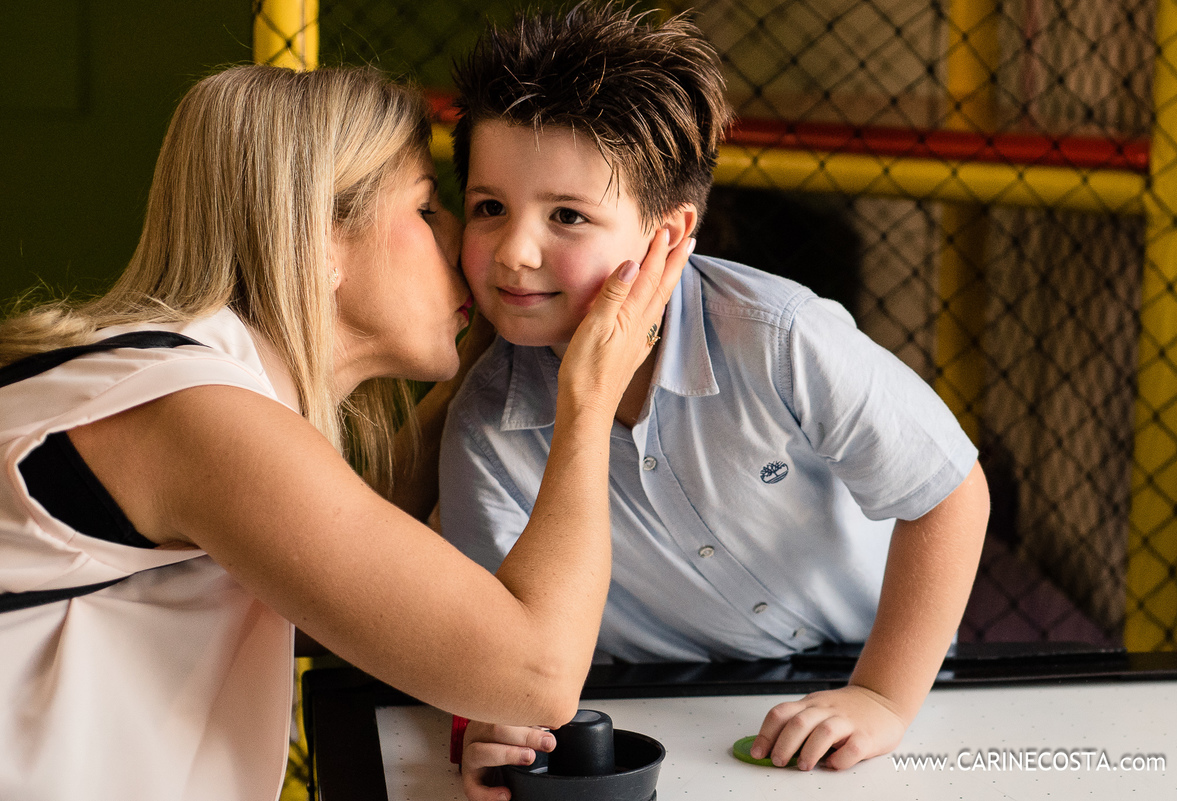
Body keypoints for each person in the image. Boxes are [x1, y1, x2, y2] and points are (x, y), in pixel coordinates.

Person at [0, 63, 689, 801]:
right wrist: (586, 395)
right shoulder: (192, 413)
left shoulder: (179, 381)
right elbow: (538, 674)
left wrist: (475, 365)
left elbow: (354, 587)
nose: (461, 240)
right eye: (428, 210)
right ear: (319, 237)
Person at [436, 4, 990, 797]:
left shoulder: (779, 337)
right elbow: (509, 648)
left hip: (876, 674)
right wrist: (497, 730)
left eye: (567, 215)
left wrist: (881, 696)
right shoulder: (485, 428)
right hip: (654, 703)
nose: (516, 251)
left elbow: (949, 492)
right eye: (490, 207)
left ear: (668, 235)